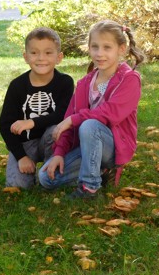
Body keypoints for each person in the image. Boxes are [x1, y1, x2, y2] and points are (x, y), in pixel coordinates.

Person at [38, 20, 145, 199]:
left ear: (121, 49)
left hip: (113, 147)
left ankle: (89, 187)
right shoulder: (85, 83)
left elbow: (110, 113)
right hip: (87, 147)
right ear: (89, 48)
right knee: (46, 178)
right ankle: (100, 171)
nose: (99, 53)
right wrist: (59, 153)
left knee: (89, 125)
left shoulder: (129, 79)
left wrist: (73, 120)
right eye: (95, 47)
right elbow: (69, 120)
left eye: (107, 47)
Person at [0, 27, 74, 189]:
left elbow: (62, 114)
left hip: (52, 140)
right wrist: (21, 157)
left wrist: (31, 122)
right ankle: (28, 169)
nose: (41, 58)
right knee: (17, 186)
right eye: (34, 53)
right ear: (26, 57)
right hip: (25, 143)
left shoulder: (65, 82)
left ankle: (49, 173)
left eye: (48, 53)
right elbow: (5, 125)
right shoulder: (17, 86)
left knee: (56, 129)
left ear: (59, 57)